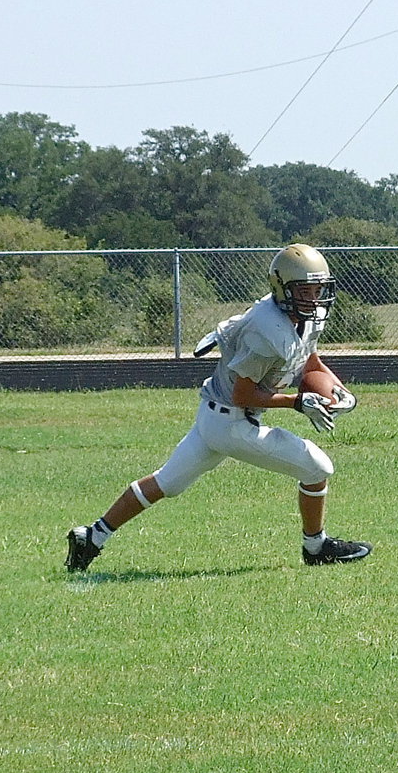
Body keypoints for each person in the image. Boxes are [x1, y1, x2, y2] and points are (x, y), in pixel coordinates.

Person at [65, 242, 371, 573]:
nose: (313, 299)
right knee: (317, 467)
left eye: (317, 290)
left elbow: (307, 359)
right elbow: (243, 394)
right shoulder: (267, 330)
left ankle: (91, 536)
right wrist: (297, 402)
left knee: (167, 482)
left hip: (214, 417)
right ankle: (316, 547)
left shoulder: (297, 317)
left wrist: (337, 388)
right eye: (306, 291)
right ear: (282, 288)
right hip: (233, 422)